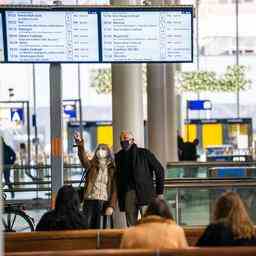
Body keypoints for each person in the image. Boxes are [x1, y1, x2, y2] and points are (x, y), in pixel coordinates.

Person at [115, 131, 165, 226]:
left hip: (145, 193)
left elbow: (159, 170)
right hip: (128, 193)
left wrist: (160, 192)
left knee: (149, 223)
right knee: (131, 224)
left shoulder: (144, 153)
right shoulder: (119, 156)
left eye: (126, 139)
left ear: (132, 140)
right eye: (121, 140)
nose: (123, 142)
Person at [74, 132, 117, 229]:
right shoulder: (92, 166)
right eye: (99, 148)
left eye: (103, 149)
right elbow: (84, 159)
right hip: (90, 199)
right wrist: (80, 145)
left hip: (103, 202)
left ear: (108, 152)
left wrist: (111, 206)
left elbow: (115, 190)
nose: (100, 151)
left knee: (101, 229)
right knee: (87, 227)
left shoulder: (112, 169)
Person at [120, 198, 188, 249]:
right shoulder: (177, 231)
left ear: (147, 213)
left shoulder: (130, 232)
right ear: (168, 214)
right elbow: (185, 253)